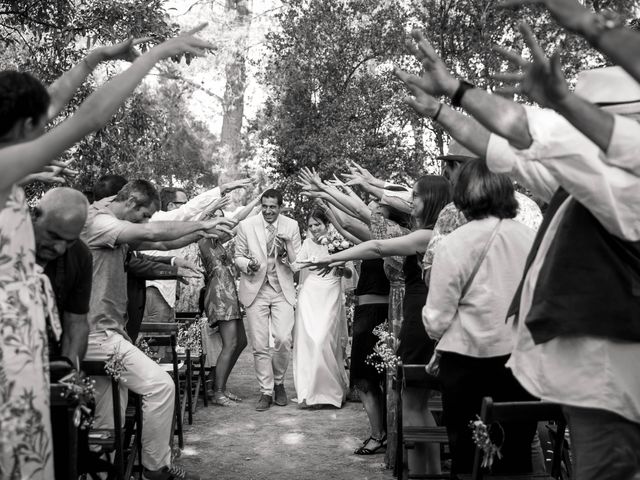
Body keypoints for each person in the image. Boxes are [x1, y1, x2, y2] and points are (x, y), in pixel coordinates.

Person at [399, 28, 640, 480]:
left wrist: (456, 89)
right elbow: (498, 147)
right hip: (594, 386)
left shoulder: (623, 184)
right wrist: (439, 110)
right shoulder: (582, 187)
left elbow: (528, 133)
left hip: (617, 387)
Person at [0, 28, 213, 478]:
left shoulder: (10, 161)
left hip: (28, 335)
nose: (48, 127)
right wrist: (156, 53)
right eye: (41, 127)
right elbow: (89, 117)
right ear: (23, 129)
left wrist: (96, 58)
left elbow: (54, 100)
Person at [82, 179, 234, 480]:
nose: (147, 221)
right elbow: (152, 232)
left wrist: (192, 239)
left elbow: (161, 242)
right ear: (131, 202)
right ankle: (156, 468)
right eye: (145, 214)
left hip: (108, 335)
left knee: (108, 422)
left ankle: (105, 474)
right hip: (97, 336)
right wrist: (202, 225)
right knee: (160, 386)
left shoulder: (117, 223)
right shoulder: (99, 221)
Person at [308, 175, 451, 474]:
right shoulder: (423, 232)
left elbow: (374, 242)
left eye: (417, 196)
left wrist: (330, 256)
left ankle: (427, 470)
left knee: (414, 401)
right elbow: (366, 224)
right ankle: (420, 467)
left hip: (417, 316)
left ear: (432, 200)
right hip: (413, 313)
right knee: (413, 400)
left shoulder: (427, 236)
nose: (412, 201)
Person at [423, 159, 537, 476]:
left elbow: (437, 320)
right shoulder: (531, 240)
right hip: (520, 362)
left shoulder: (453, 244)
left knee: (467, 459)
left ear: (462, 194)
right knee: (514, 457)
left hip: (467, 365)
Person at [234, 188, 302, 412]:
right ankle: (266, 390)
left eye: (273, 207)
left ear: (280, 207)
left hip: (282, 289)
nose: (268, 211)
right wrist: (247, 265)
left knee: (283, 339)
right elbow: (238, 256)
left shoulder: (291, 226)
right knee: (259, 344)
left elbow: (297, 263)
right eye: (265, 206)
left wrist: (286, 250)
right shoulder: (247, 225)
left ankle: (279, 382)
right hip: (256, 288)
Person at [198, 192, 262, 405]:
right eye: (216, 217)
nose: (222, 220)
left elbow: (239, 219)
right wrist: (212, 206)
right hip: (218, 294)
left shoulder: (219, 240)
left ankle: (215, 384)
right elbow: (204, 219)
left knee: (241, 342)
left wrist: (257, 203)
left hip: (229, 293)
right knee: (231, 342)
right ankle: (218, 392)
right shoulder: (203, 238)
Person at [291, 207, 352, 408]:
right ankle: (309, 392)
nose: (314, 228)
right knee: (309, 341)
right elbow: (297, 265)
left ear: (327, 224)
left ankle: (330, 391)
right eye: (310, 225)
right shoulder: (307, 243)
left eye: (317, 224)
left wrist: (340, 266)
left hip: (331, 291)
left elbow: (349, 274)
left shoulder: (339, 243)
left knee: (324, 340)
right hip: (310, 294)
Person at [34, 187, 92, 369]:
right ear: (35, 216)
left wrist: (67, 376)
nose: (59, 248)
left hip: (48, 356)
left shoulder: (80, 255)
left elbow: (76, 324)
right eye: (54, 236)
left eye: (69, 241)